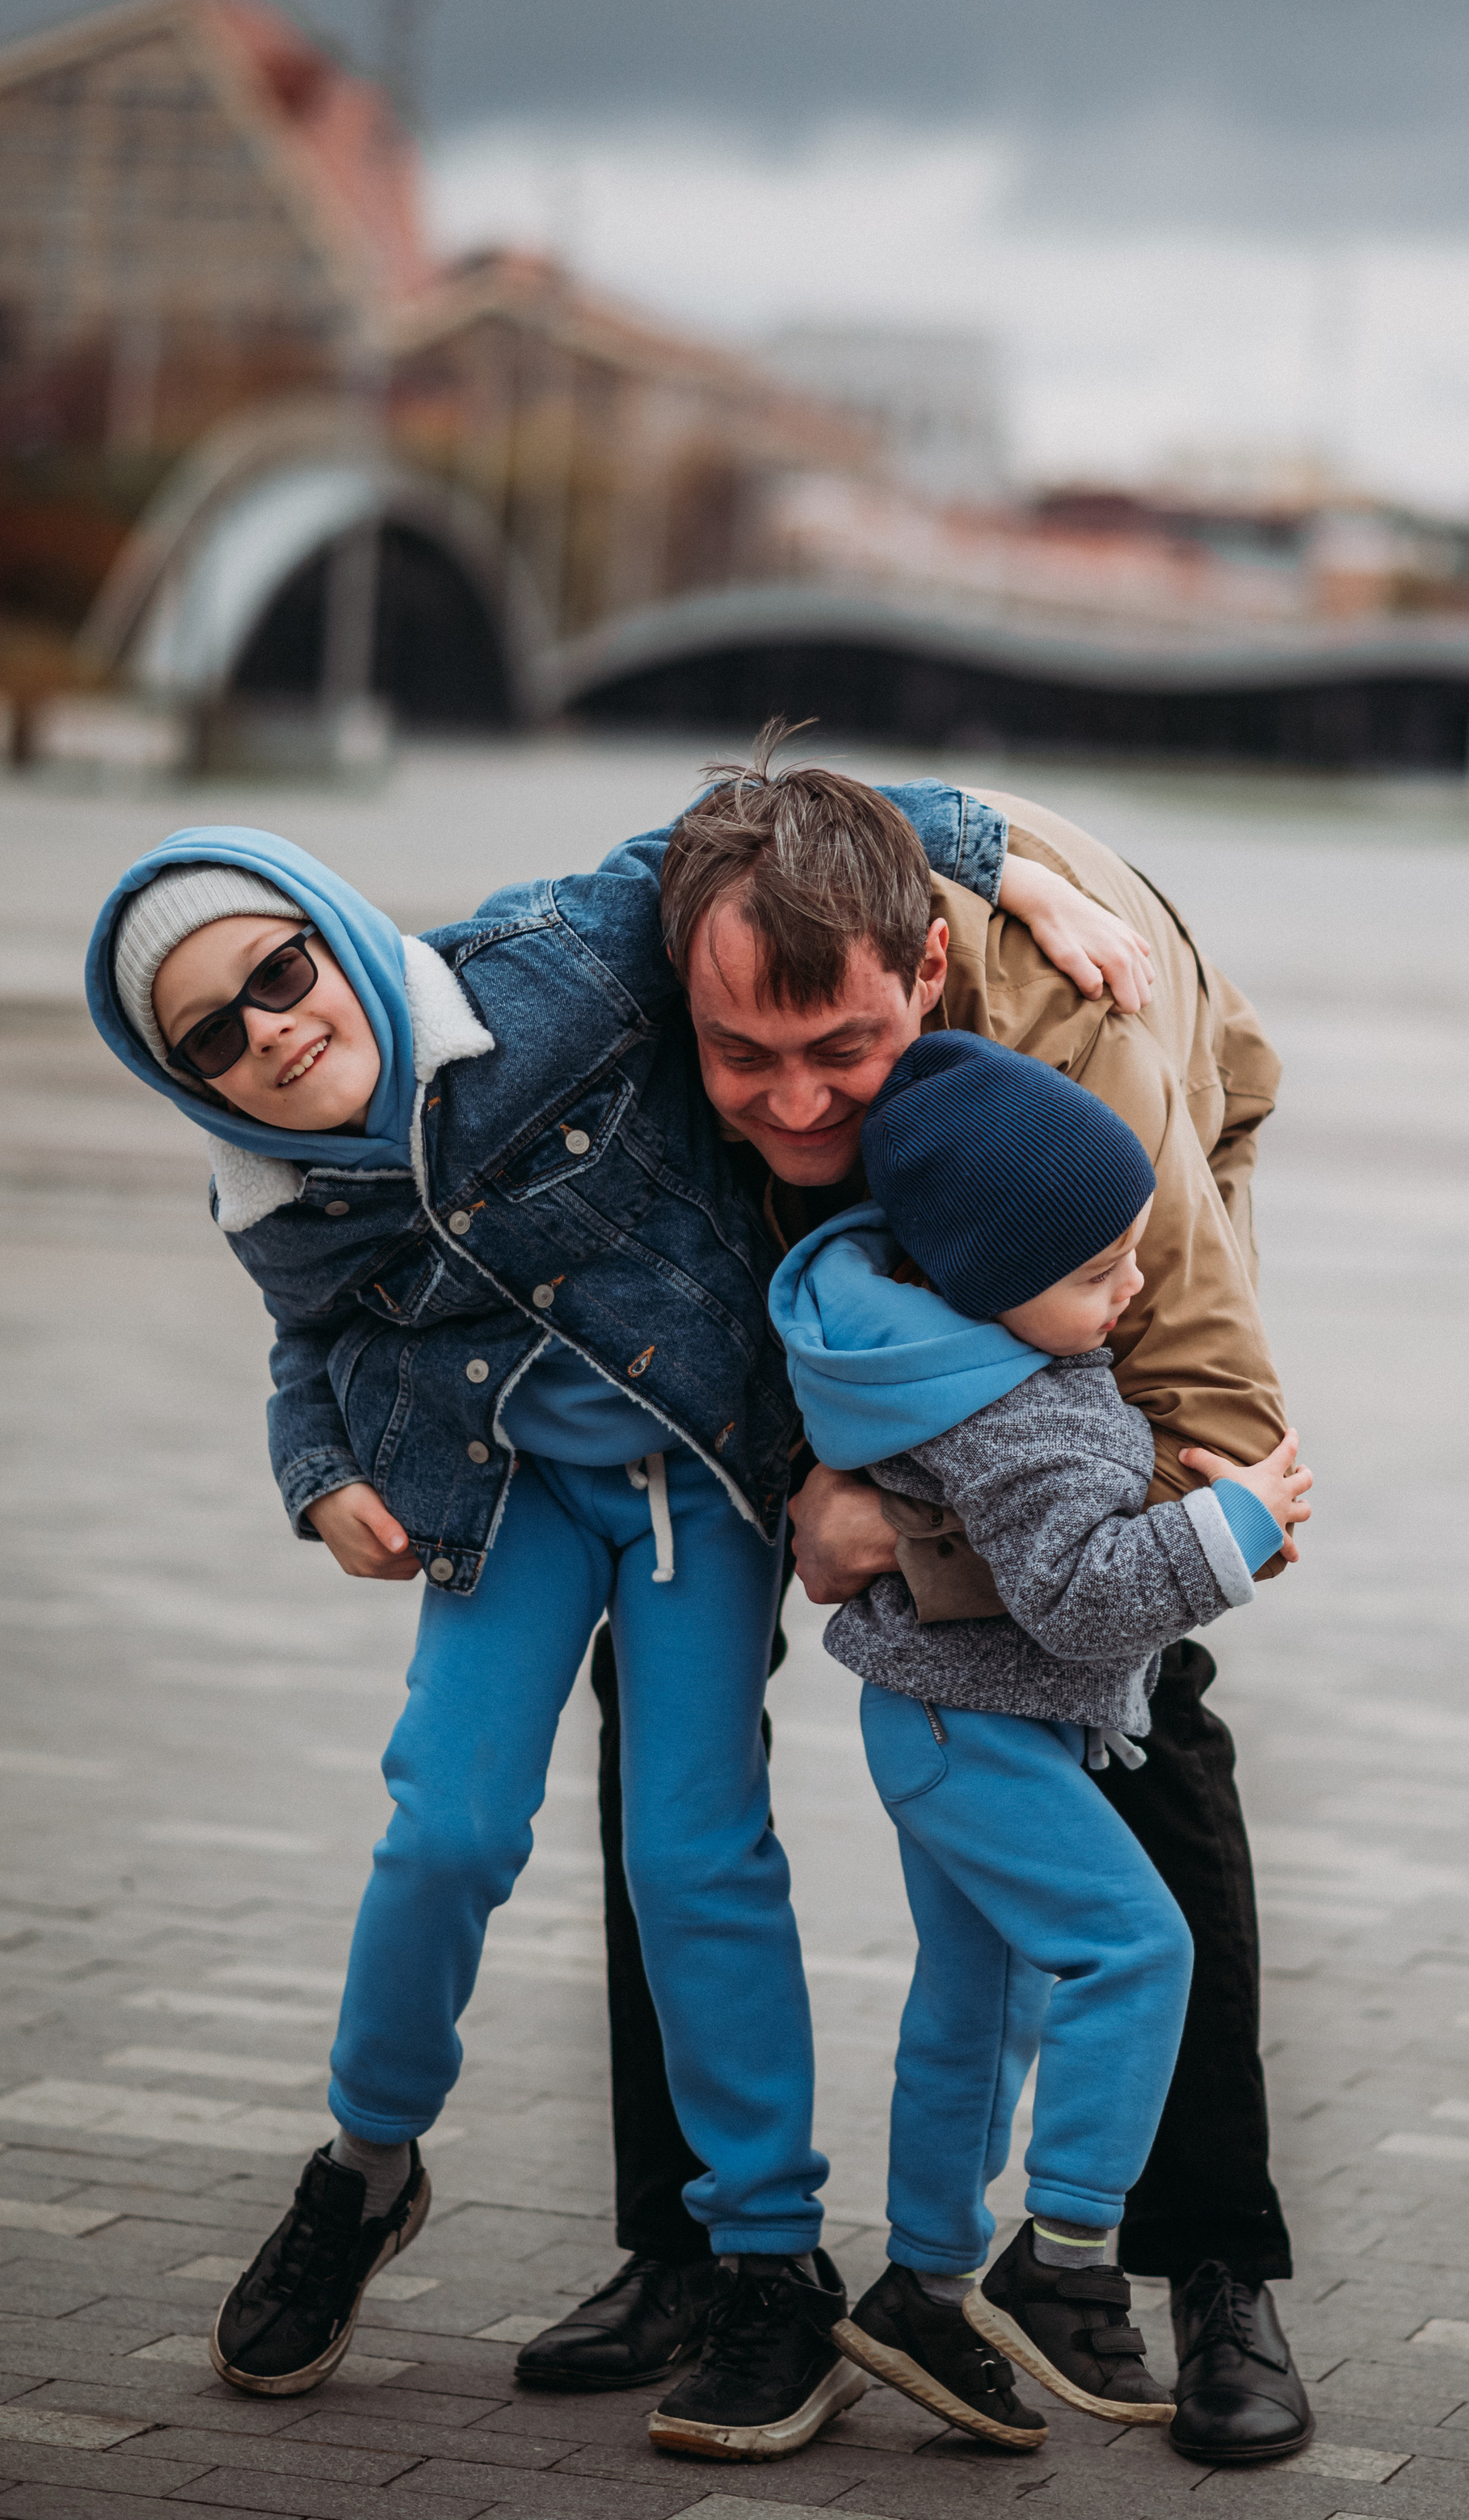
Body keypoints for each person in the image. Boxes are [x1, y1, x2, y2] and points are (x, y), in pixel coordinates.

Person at [80, 786, 1139, 2456]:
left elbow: (754, 819)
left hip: (695, 1493)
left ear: (333, 929)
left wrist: (1018, 875)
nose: (268, 1034)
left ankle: (767, 2264)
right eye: (209, 1034)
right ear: (180, 1075)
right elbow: (307, 1349)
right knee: (443, 1826)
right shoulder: (266, 1188)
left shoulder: (545, 970)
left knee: (691, 1851)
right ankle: (364, 2171)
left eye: (280, 971)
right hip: (493, 1509)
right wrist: (314, 1480)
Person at [573, 743, 1318, 2465]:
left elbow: (1220, 1445)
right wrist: (792, 1489)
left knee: (1147, 1710)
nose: (797, 1102)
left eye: (843, 1051)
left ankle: (1199, 2256)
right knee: (664, 1656)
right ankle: (700, 2251)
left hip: (1109, 1210)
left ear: (923, 972)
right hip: (816, 1300)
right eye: (741, 1057)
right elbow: (656, 1323)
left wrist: (905, 1543)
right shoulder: (664, 988)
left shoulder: (1083, 1060)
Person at [759, 1031, 1310, 2457]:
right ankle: (1064, 2254)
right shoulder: (1024, 1414)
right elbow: (1075, 1599)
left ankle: (925, 2285)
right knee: (1138, 1949)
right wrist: (1228, 1528)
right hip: (980, 1728)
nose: (1134, 1291)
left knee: (976, 2002)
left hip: (944, 1720)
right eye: (1098, 1276)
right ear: (988, 1284)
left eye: (1134, 1257)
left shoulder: (966, 1348)